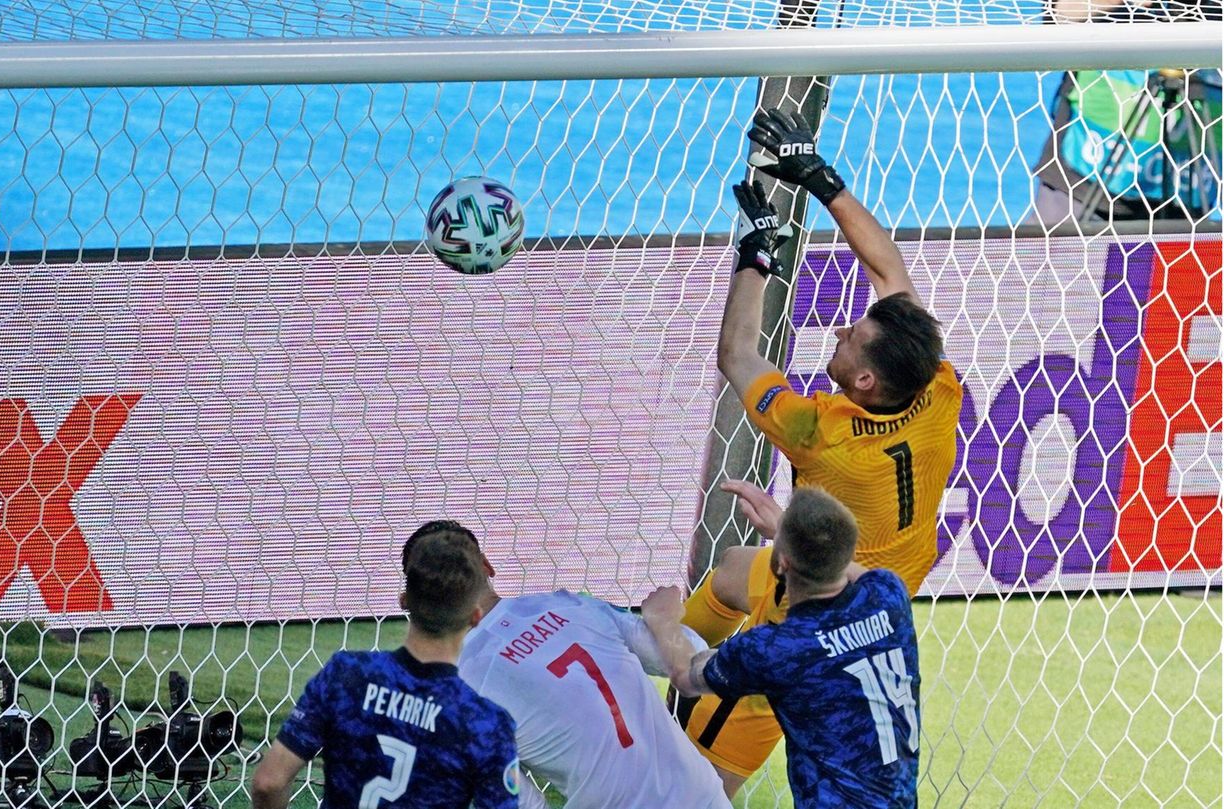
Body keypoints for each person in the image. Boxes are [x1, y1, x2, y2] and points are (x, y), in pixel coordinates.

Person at [677, 107, 963, 795]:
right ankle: (650, 661)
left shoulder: (818, 434)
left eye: (848, 339)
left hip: (817, 598)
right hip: (885, 585)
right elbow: (888, 268)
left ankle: (681, 716)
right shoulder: (935, 383)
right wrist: (820, 178)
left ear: (864, 380)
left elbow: (736, 353)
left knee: (698, 771)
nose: (839, 327)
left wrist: (756, 252)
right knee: (730, 571)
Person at [400, 520, 733, 809]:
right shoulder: (571, 605)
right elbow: (693, 658)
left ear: (413, 604)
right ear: (487, 566)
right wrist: (664, 622)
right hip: (702, 796)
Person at [647, 484, 921, 808]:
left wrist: (662, 621)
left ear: (781, 565)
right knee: (735, 564)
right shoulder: (888, 595)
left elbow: (684, 676)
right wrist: (786, 532)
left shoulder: (777, 651)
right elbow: (840, 563)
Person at [251, 529, 521, 809]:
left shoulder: (345, 675)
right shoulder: (486, 723)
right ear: (476, 616)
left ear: (405, 601)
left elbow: (268, 782)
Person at [1032, 0, 1222, 225]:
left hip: (1192, 179)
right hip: (1085, 180)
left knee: (1188, 256)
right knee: (1057, 256)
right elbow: (1062, 15)